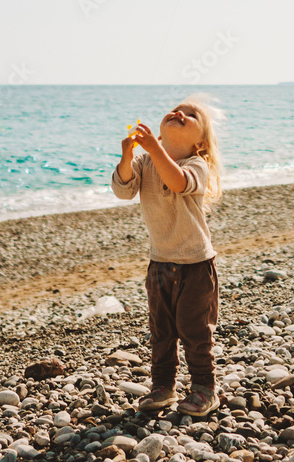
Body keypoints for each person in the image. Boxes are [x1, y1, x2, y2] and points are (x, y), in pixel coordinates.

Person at [111, 95, 223, 416]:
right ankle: (163, 386)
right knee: (161, 331)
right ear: (160, 131)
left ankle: (204, 387)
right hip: (159, 263)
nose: (179, 113)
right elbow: (123, 189)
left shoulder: (196, 165)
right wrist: (127, 155)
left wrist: (154, 149)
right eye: (175, 110)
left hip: (197, 265)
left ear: (200, 144)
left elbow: (177, 182)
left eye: (191, 115)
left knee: (195, 330)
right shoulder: (145, 163)